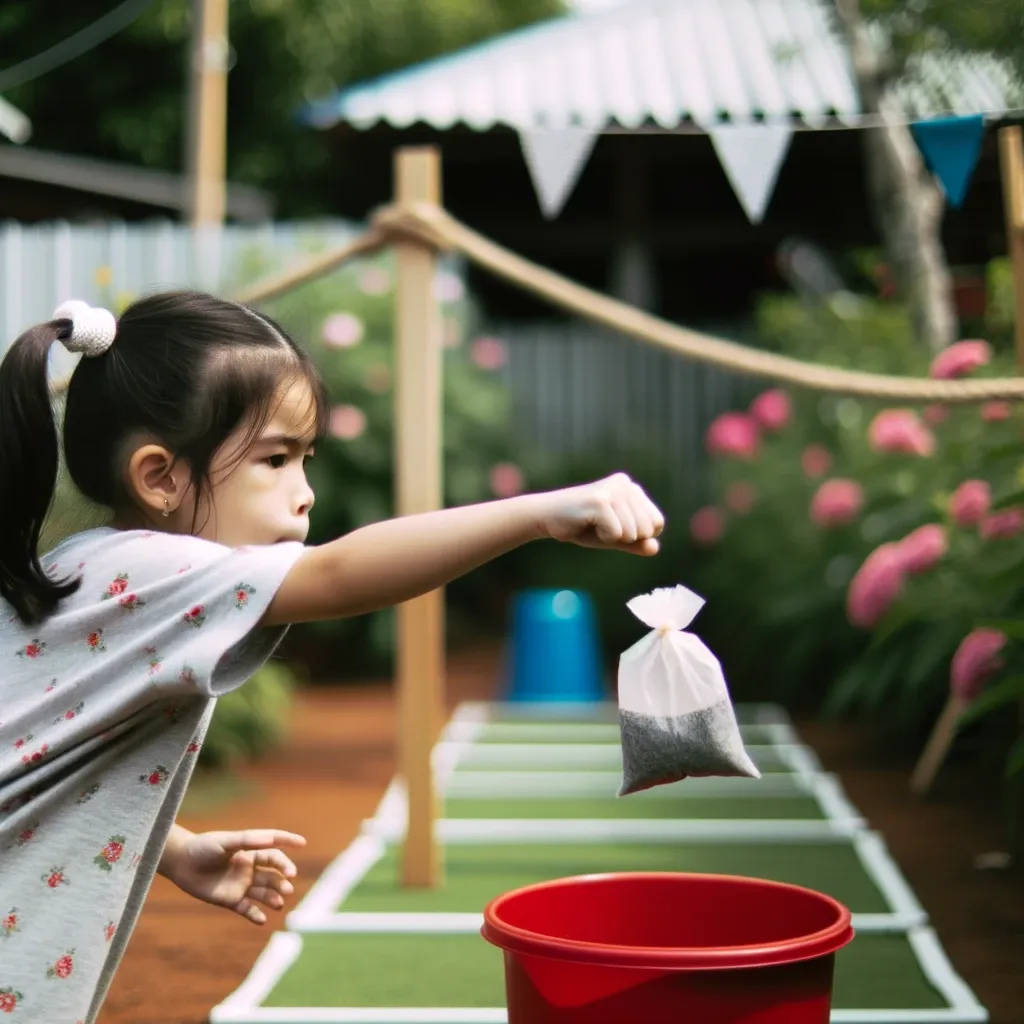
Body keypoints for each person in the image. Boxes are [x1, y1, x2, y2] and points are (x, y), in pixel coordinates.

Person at [0, 291, 665, 1024]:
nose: (305, 493)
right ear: (159, 478)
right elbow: (338, 574)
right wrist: (541, 514)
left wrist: (173, 847)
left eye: (305, 459)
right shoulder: (155, 571)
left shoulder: (90, 573)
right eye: (275, 459)